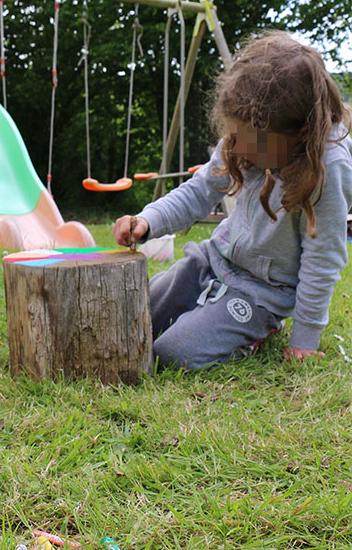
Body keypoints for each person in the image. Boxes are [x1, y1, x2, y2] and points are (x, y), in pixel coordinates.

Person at [113, 32, 352, 370]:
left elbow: (322, 261)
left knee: (172, 354)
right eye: (234, 136)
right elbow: (197, 192)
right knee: (132, 313)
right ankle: (207, 311)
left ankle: (255, 331)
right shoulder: (248, 132)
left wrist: (306, 339)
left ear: (298, 134)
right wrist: (147, 221)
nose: (238, 149)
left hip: (259, 294)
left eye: (250, 144)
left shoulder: (330, 168)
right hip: (210, 263)